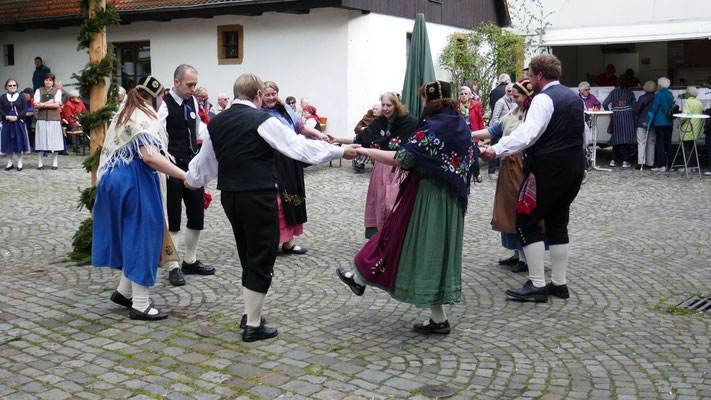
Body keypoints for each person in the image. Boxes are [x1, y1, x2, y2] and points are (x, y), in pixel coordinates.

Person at [185, 73, 358, 341]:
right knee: (262, 255)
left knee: (247, 252)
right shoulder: (262, 120)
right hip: (257, 195)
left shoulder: (216, 124)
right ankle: (253, 325)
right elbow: (298, 148)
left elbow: (203, 163)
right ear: (257, 95)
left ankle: (249, 312)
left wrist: (191, 180)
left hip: (230, 197)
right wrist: (338, 151)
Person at [336, 80, 475, 334]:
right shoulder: (460, 124)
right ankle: (438, 318)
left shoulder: (432, 128)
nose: (422, 104)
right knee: (433, 252)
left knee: (396, 239)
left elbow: (404, 158)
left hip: (427, 197)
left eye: (424, 99)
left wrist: (366, 150)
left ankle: (360, 280)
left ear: (431, 101)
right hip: (451, 201)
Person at [480, 53, 589, 303]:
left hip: (548, 168)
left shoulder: (543, 99)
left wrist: (496, 149)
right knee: (558, 223)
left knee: (526, 221)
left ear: (539, 75)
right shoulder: (574, 98)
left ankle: (537, 284)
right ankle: (559, 284)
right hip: (573, 167)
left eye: (530, 74)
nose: (530, 79)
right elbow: (586, 135)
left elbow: (527, 134)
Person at [92, 75, 187, 321]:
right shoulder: (143, 116)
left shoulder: (126, 111)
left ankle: (124, 293)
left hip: (114, 180)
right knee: (143, 238)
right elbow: (150, 157)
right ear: (156, 96)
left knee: (130, 238)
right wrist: (183, 176)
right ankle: (141, 305)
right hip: (134, 180)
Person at [157, 64, 215, 286]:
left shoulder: (192, 101)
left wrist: (216, 132)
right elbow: (158, 135)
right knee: (173, 217)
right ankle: (173, 265)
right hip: (172, 167)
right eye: (190, 85)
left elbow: (199, 129)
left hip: (192, 167)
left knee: (197, 215)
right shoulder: (164, 105)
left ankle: (190, 260)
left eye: (195, 85)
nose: (193, 89)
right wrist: (167, 160)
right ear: (177, 82)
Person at [472, 79, 536, 273]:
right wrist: (468, 133)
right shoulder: (513, 114)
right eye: (512, 95)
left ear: (527, 96)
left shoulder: (533, 115)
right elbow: (493, 131)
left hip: (523, 165)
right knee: (508, 208)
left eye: (516, 96)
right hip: (509, 163)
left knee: (521, 208)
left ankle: (526, 258)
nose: (513, 99)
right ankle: (517, 253)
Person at [333, 92, 418, 238]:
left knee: (393, 203)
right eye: (383, 105)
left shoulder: (409, 122)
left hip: (399, 169)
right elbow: (360, 139)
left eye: (389, 105)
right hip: (380, 168)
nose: (385, 108)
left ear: (396, 105)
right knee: (379, 202)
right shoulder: (380, 121)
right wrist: (338, 139)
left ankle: (396, 238)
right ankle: (379, 238)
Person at [261, 81, 331, 254]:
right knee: (278, 202)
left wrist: (319, 134)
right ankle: (272, 242)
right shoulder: (259, 113)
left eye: (273, 94)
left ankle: (288, 243)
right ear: (260, 95)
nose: (271, 97)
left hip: (292, 159)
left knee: (293, 198)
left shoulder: (286, 110)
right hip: (274, 161)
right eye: (267, 94)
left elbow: (300, 127)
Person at [603, 74, 636, 168]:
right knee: (626, 139)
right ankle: (625, 161)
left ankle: (613, 160)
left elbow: (605, 103)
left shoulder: (613, 92)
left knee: (616, 138)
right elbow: (634, 108)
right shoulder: (630, 93)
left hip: (616, 116)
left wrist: (609, 112)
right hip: (628, 117)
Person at [34, 73, 65, 170]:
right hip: (42, 118)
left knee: (54, 140)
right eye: (47, 80)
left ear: (53, 82)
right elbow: (35, 105)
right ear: (44, 81)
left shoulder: (57, 91)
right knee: (41, 139)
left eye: (50, 80)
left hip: (54, 118)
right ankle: (40, 163)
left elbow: (56, 105)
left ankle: (55, 163)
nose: (48, 82)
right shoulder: (39, 91)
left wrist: (42, 104)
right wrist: (49, 103)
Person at [1, 78, 31, 171]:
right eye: (10, 85)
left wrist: (17, 117)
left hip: (18, 122)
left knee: (19, 142)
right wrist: (6, 117)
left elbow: (24, 109)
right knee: (8, 143)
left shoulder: (21, 97)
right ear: (6, 87)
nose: (12, 87)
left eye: (14, 85)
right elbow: (0, 109)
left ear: (17, 86)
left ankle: (20, 163)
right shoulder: (3, 97)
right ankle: (9, 163)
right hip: (7, 122)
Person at [646, 77, 674, 172]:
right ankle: (671, 165)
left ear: (660, 85)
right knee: (668, 143)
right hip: (669, 122)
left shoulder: (659, 94)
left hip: (660, 122)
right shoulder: (670, 94)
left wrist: (647, 121)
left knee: (660, 143)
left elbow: (654, 108)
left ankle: (661, 165)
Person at [678, 86, 703, 172]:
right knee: (693, 148)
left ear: (688, 94)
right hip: (696, 128)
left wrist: (680, 122)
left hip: (688, 127)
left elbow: (685, 115)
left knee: (686, 148)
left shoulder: (687, 102)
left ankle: (687, 167)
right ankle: (693, 166)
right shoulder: (699, 102)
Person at [352, 103, 381, 173]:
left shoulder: (382, 119)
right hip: (365, 138)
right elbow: (356, 128)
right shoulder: (366, 117)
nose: (374, 111)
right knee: (363, 143)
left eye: (376, 109)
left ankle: (375, 163)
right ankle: (360, 163)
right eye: (373, 109)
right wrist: (362, 128)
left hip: (377, 139)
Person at [634, 81, 657, 168]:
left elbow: (637, 110)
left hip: (641, 122)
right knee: (651, 143)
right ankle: (650, 163)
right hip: (652, 122)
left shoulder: (642, 98)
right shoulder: (656, 97)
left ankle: (641, 163)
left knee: (641, 143)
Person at [61, 89, 87, 154]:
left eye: (79, 97)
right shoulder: (68, 105)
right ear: (72, 98)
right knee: (75, 127)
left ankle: (91, 145)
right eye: (77, 97)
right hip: (67, 122)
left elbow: (84, 111)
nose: (79, 98)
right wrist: (77, 123)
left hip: (78, 119)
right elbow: (69, 117)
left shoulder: (80, 102)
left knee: (88, 125)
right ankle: (76, 147)